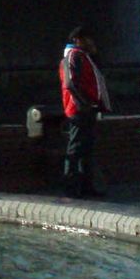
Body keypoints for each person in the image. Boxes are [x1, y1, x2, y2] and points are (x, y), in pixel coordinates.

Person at [59, 25, 112, 198]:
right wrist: (85, 103)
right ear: (78, 39)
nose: (91, 42)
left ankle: (86, 186)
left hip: (86, 108)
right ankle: (70, 187)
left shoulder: (84, 56)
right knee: (75, 147)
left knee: (86, 147)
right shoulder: (73, 56)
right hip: (79, 109)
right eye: (87, 38)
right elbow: (70, 83)